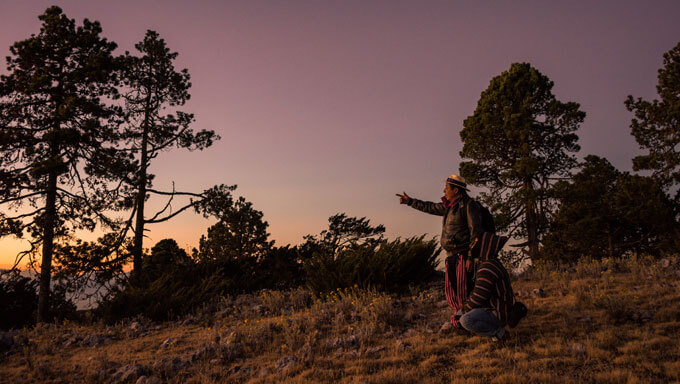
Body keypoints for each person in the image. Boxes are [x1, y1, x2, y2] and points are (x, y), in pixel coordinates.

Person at [397, 174, 485, 327]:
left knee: (464, 290)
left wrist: (471, 257)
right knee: (453, 291)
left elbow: (476, 233)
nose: (444, 191)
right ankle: (462, 321)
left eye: (447, 188)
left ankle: (469, 321)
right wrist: (410, 201)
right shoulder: (449, 206)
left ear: (456, 190)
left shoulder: (469, 206)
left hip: (463, 255)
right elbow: (430, 207)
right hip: (451, 256)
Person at [457, 232, 518, 343]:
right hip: (502, 309)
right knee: (463, 315)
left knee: (466, 320)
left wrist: (464, 310)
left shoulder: (487, 267)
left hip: (498, 311)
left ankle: (500, 333)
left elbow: (479, 296)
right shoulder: (492, 263)